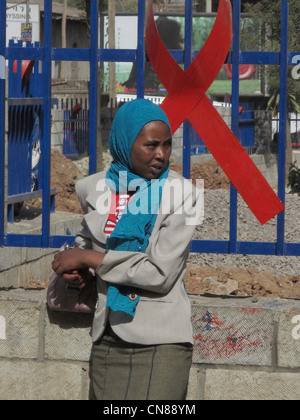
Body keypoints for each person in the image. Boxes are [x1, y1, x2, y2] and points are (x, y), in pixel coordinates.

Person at [52, 99, 202, 401]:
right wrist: (78, 271)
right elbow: (88, 246)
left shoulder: (184, 195)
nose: (161, 155)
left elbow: (159, 273)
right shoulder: (93, 189)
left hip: (161, 342)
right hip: (108, 337)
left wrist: (87, 257)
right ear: (123, 142)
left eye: (167, 145)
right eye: (150, 145)